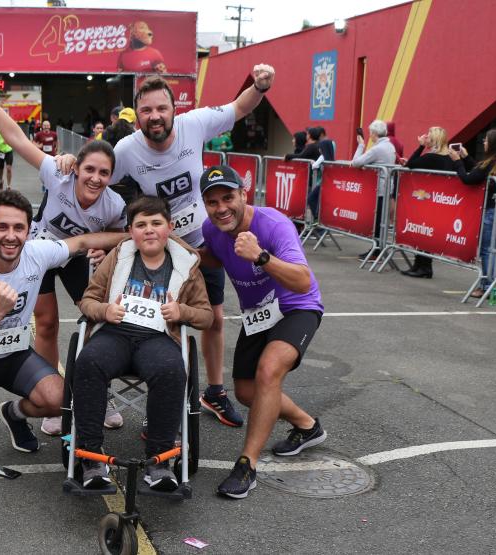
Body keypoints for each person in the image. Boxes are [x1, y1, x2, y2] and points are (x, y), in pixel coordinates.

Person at [65, 66, 276, 429]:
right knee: (155, 314)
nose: (155, 116)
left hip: (202, 242)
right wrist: (69, 165)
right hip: (157, 247)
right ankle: (151, 377)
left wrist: (259, 85)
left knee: (214, 316)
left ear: (174, 108)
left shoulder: (196, 124)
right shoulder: (127, 149)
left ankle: (214, 391)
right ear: (138, 116)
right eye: (146, 111)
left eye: (161, 108)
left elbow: (240, 107)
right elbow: (96, 180)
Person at [0, 50, 129, 434]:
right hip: (40, 254)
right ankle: (52, 401)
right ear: (77, 166)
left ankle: (102, 389)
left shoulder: (115, 204)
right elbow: (15, 136)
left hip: (75, 257)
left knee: (99, 320)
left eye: (104, 173)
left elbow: (128, 234)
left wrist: (108, 248)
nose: (96, 178)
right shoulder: (58, 173)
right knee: (47, 324)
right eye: (90, 169)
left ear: (111, 176)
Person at [0, 188, 127, 478]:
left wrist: (138, 236)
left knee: (59, 400)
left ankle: (13, 414)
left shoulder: (37, 253)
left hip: (13, 353)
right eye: (2, 227)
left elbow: (85, 241)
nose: (11, 235)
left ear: (29, 230)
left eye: (19, 227)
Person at [198, 165, 326, 499]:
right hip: (258, 315)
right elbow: (214, 258)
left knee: (269, 372)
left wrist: (261, 256)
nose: (222, 207)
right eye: (212, 202)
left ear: (244, 194)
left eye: (228, 197)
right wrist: (176, 252)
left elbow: (303, 280)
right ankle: (307, 425)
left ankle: (247, 465)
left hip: (297, 307)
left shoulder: (274, 224)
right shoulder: (211, 230)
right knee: (245, 393)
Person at [75, 196, 213, 490]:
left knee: (171, 369)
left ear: (170, 227)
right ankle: (91, 457)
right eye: (141, 225)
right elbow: (88, 300)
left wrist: (181, 312)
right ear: (131, 231)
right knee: (88, 361)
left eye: (156, 223)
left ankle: (159, 462)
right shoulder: (119, 256)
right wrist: (104, 310)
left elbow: (206, 316)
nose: (149, 230)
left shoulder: (187, 265)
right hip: (116, 333)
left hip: (158, 337)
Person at [450, 128, 496, 298]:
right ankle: (488, 284)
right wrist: (465, 157)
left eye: (486, 140)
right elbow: (479, 172)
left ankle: (486, 286)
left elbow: (469, 179)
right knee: (492, 250)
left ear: (493, 143)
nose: (483, 142)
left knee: (487, 250)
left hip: (492, 211)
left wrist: (457, 162)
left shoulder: (493, 162)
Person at [401, 126, 459, 279]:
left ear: (432, 140)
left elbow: (410, 165)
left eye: (428, 137)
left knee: (423, 232)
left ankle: (423, 266)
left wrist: (420, 146)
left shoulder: (431, 157)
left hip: (428, 199)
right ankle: (421, 265)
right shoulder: (450, 157)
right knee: (427, 232)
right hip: (441, 200)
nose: (425, 137)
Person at [351, 119, 397, 261]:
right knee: (381, 221)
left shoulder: (377, 148)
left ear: (375, 133)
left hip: (380, 189)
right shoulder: (389, 145)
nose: (369, 135)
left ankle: (376, 250)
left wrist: (361, 145)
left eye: (370, 132)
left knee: (378, 221)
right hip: (387, 187)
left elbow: (355, 163)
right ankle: (378, 249)